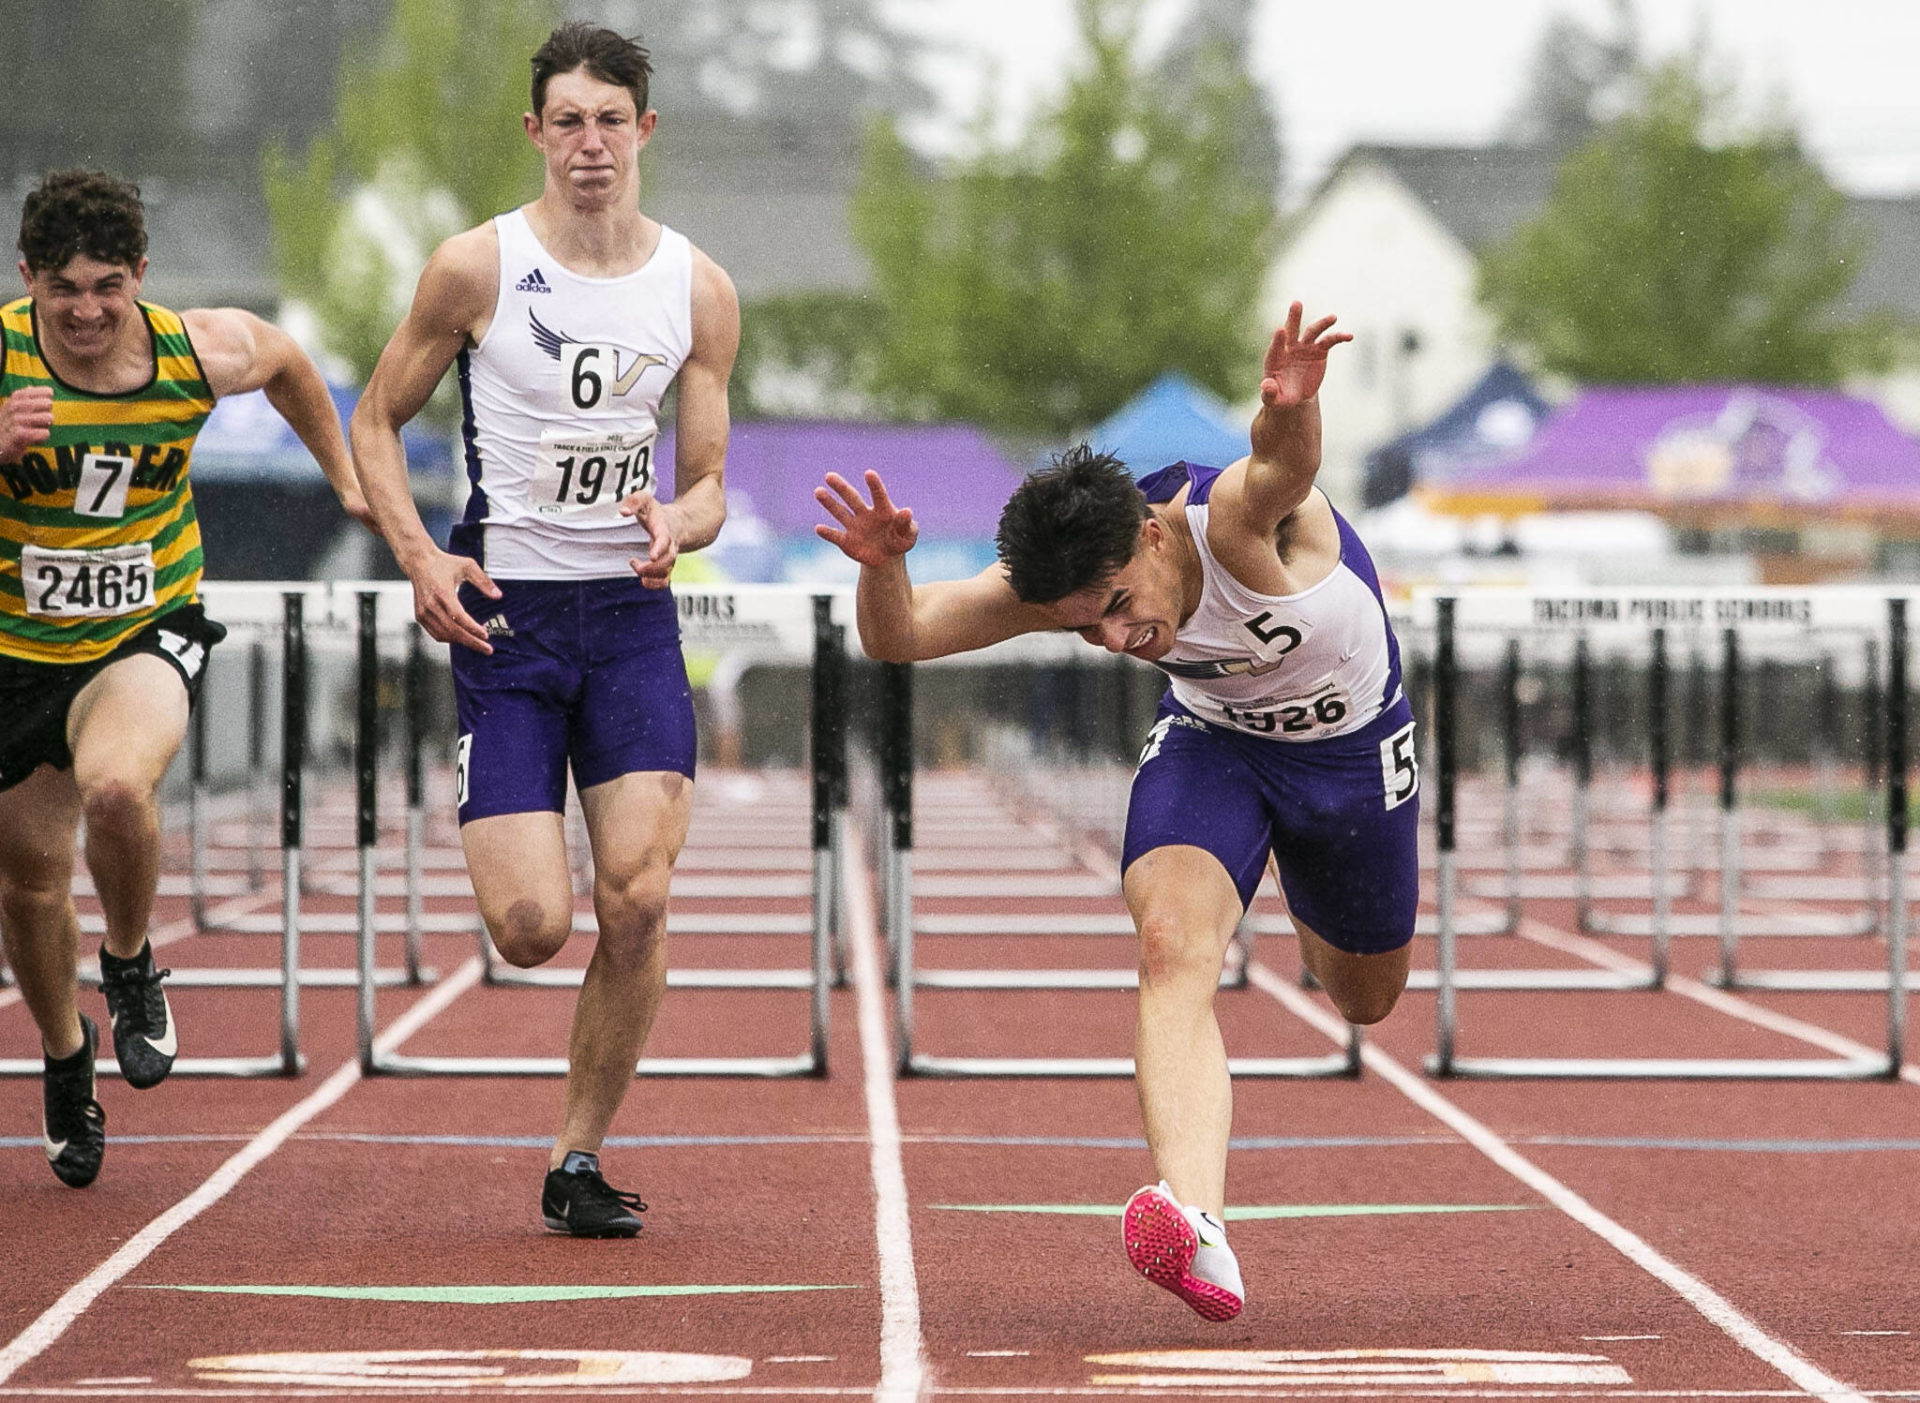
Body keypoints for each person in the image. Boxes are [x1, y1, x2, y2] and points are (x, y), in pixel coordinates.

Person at [815, 303, 1417, 1320]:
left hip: (1348, 756)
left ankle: (1310, 919)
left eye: (1115, 603)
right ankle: (1202, 1227)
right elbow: (903, 637)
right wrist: (884, 569)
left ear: (1151, 534)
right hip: (1217, 745)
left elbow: (1280, 470)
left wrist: (1289, 411)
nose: (1110, 637)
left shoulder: (1231, 522)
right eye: (1080, 625)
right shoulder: (1067, 579)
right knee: (1171, 943)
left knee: (1363, 998)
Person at [350, 22, 738, 1239]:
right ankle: (569, 1109)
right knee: (531, 928)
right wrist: (421, 555)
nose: (588, 145)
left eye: (609, 121)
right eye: (566, 121)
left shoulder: (698, 286)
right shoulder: (475, 266)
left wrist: (676, 515)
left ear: (644, 131)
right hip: (505, 622)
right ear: (536, 132)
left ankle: (578, 1152)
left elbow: (714, 481)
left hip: (628, 618)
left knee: (637, 895)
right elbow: (372, 422)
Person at [0, 169, 370, 1188]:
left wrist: (344, 480)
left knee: (119, 786)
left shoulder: (194, 349)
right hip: (16, 649)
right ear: (26, 276)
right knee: (29, 880)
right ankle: (67, 1056)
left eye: (107, 286)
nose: (84, 311)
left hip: (145, 620)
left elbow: (292, 361)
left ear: (141, 278)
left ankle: (129, 961)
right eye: (63, 288)